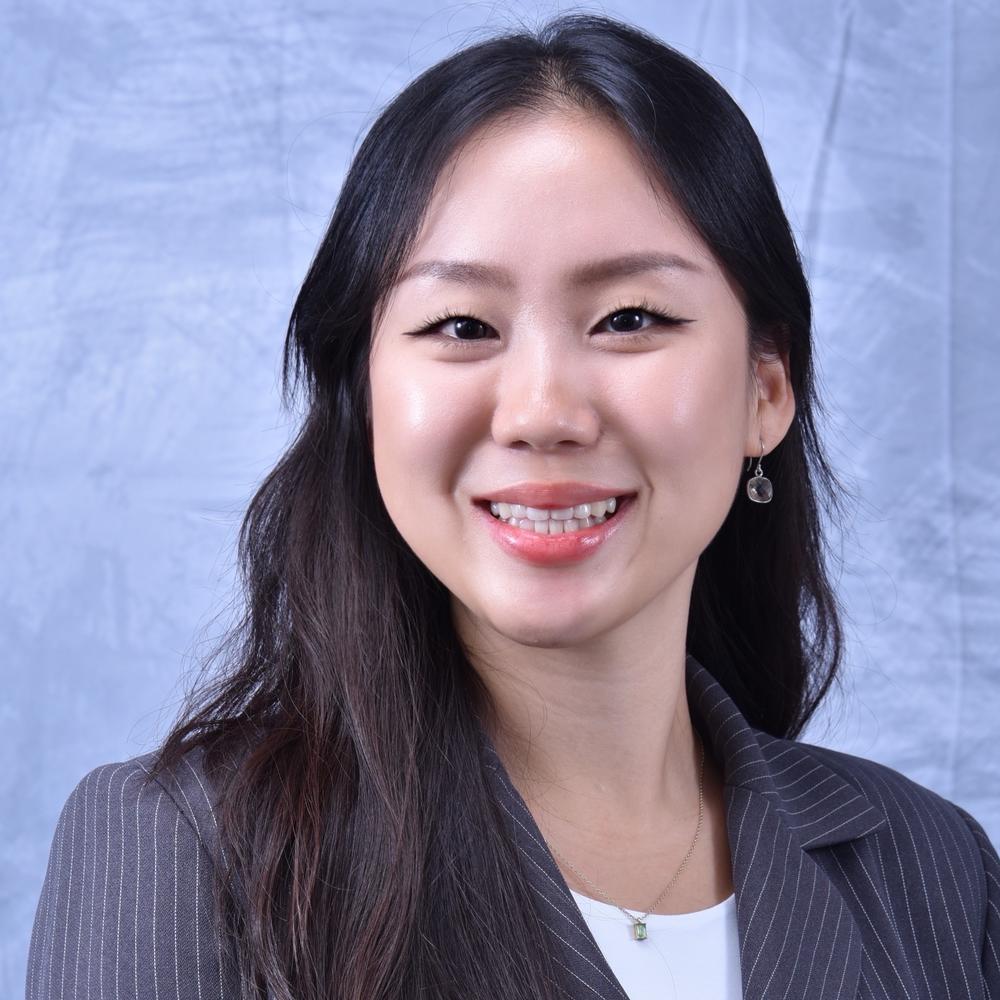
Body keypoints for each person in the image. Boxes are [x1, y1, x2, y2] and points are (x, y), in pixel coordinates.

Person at [26, 12, 1000, 1000]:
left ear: (766, 390)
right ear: (364, 394)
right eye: (460, 325)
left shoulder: (936, 873)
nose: (542, 412)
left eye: (630, 319)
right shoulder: (185, 852)